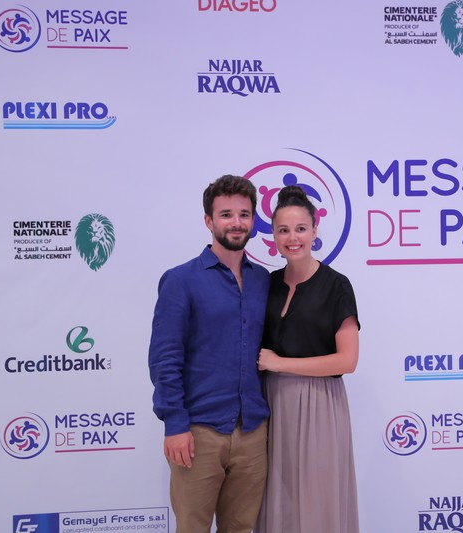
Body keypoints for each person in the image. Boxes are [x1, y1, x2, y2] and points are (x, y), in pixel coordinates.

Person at [148, 175, 270, 533]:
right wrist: (174, 424)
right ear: (208, 220)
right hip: (198, 432)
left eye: (244, 214)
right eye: (226, 214)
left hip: (253, 432)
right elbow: (165, 357)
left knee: (241, 529)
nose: (237, 222)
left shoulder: (264, 281)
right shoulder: (181, 280)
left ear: (253, 220)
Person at [255, 185, 360, 533]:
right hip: (272, 406)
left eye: (300, 229)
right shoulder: (267, 284)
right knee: (277, 501)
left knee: (317, 500)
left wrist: (280, 364)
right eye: (283, 230)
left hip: (320, 408)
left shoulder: (336, 286)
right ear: (273, 236)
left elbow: (347, 361)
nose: (292, 238)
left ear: (315, 231)